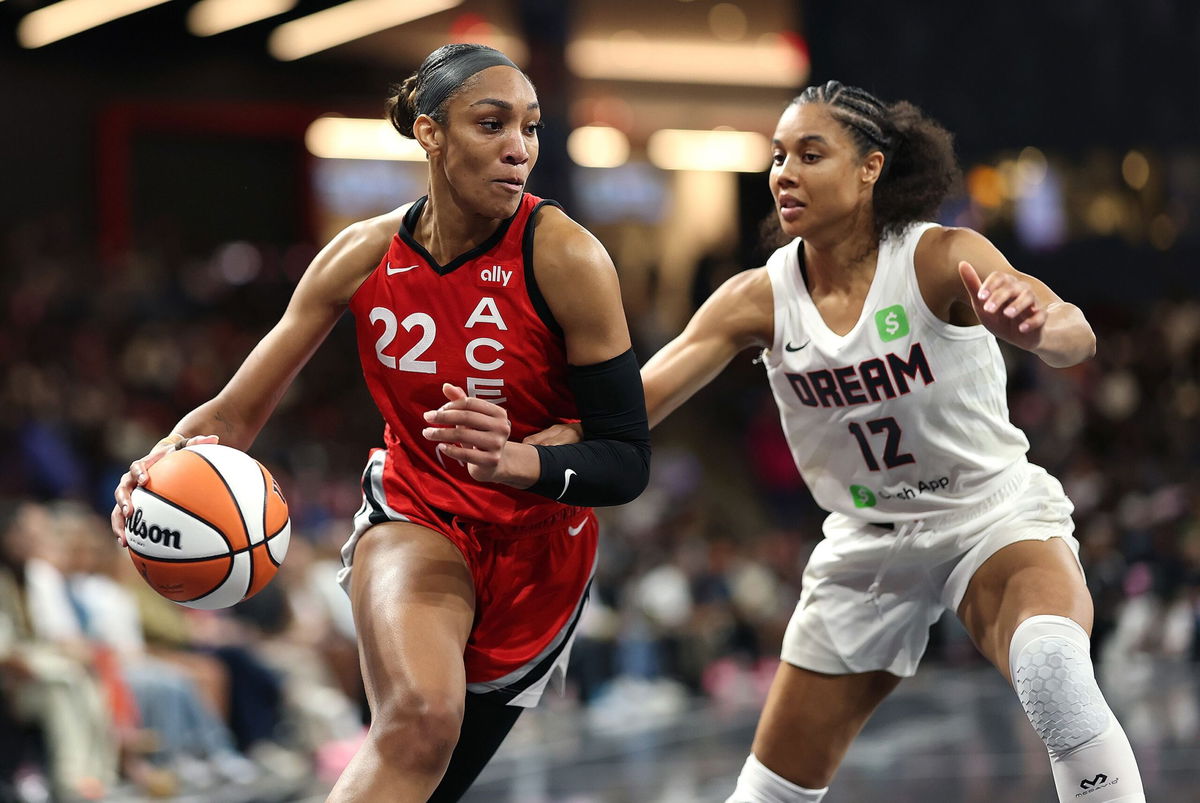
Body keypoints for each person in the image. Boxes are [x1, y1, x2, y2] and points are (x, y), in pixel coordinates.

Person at [534, 80, 1145, 802]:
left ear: (870, 169)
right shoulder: (757, 298)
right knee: (765, 793)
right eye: (778, 155)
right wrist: (525, 454)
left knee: (1053, 671)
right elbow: (631, 407)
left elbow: (1074, 333)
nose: (783, 173)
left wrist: (1040, 328)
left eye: (810, 154)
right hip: (866, 543)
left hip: (987, 517)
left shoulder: (939, 256)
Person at [111, 43, 650, 802]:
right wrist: (159, 463)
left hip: (541, 555)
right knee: (420, 720)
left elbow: (627, 459)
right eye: (491, 124)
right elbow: (232, 415)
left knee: (428, 781)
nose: (518, 149)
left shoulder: (566, 256)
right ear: (430, 133)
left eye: (528, 128)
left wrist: (521, 460)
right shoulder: (361, 255)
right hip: (418, 514)